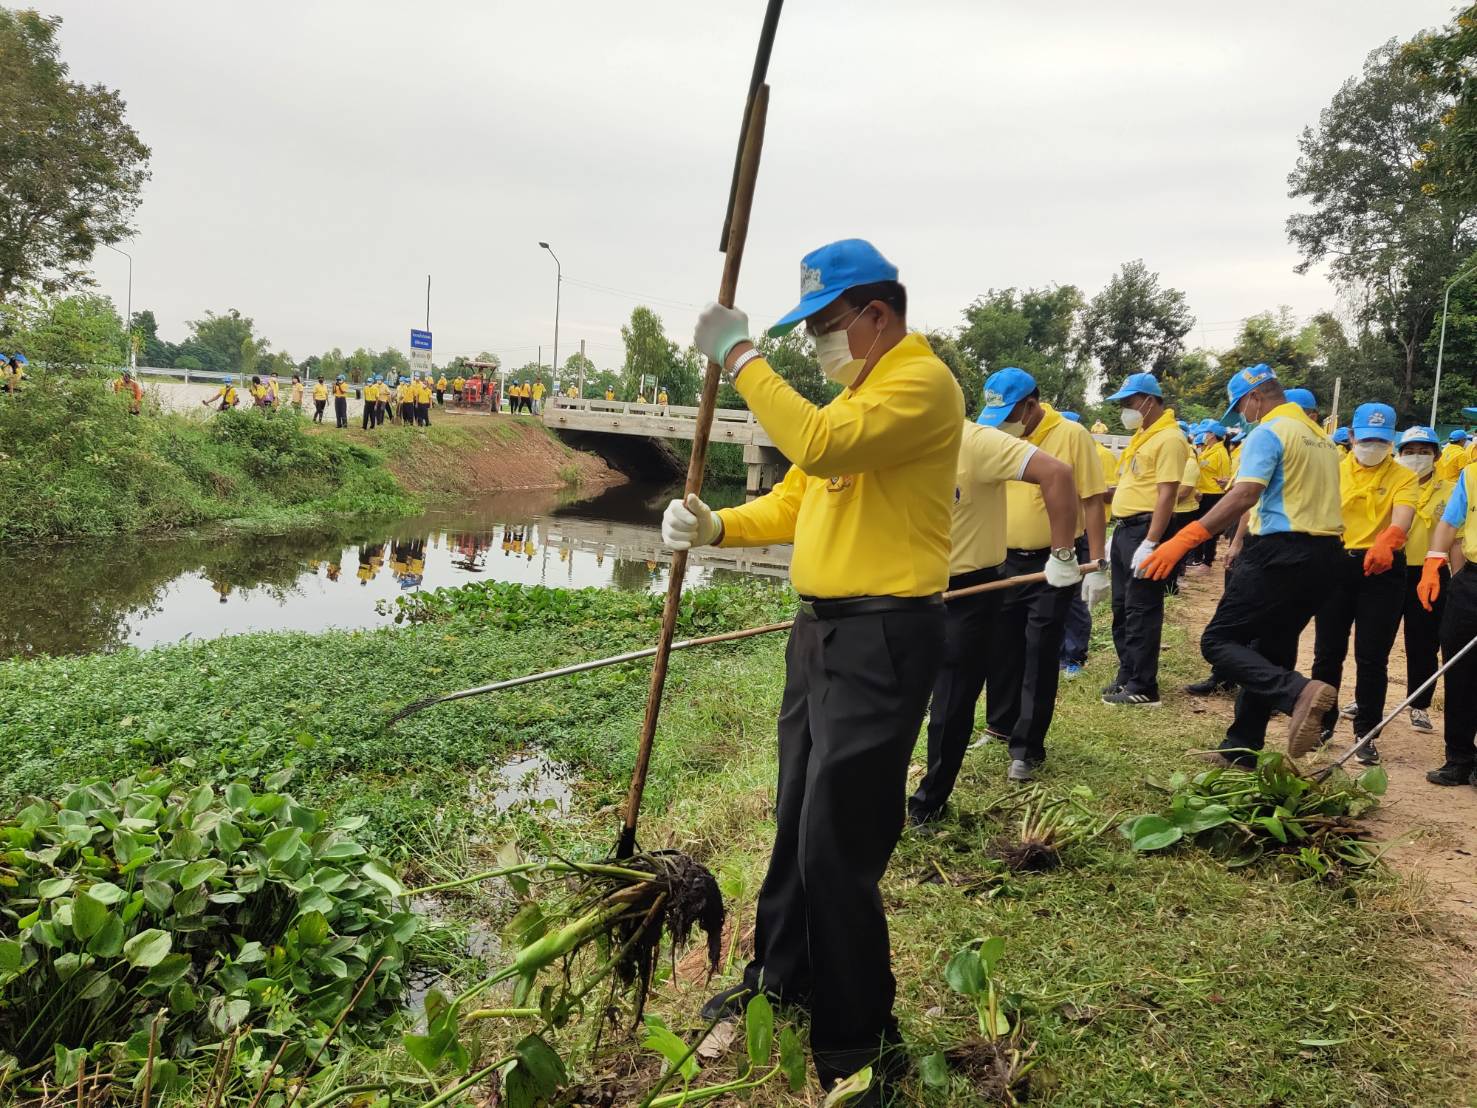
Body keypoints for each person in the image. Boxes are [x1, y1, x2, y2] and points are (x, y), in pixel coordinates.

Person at [664, 239, 961, 1101]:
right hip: (821, 635)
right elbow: (797, 495)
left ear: (876, 313)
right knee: (796, 817)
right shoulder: (860, 392)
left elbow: (820, 447)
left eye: (827, 326)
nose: (820, 345)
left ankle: (860, 1039)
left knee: (840, 844)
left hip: (883, 636)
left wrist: (743, 357)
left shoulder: (919, 383)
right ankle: (781, 974)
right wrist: (717, 526)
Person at [1138, 364, 1342, 762]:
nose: (1243, 416)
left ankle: (1299, 693)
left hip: (1280, 553)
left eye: (1241, 407)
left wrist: (1186, 538)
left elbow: (1246, 494)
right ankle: (1242, 748)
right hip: (1325, 556)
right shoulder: (1322, 438)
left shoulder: (1269, 432)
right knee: (1271, 648)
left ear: (1254, 397)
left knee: (1219, 641)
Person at [909, 402, 1079, 817]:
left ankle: (929, 803)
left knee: (951, 699)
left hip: (969, 589)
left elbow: (1056, 473)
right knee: (900, 691)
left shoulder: (976, 440)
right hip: (907, 586)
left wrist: (1062, 552)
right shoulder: (895, 440)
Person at [975, 367, 1108, 779]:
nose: (1006, 425)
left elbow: (1092, 500)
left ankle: (1027, 746)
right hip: (1002, 559)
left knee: (1039, 648)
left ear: (1031, 405)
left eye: (1011, 414)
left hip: (1055, 562)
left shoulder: (1072, 436)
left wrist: (1097, 564)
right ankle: (999, 725)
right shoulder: (999, 436)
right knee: (1002, 646)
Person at [1309, 402, 1417, 763]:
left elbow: (1403, 514)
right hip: (1337, 566)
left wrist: (1390, 539)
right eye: (1366, 439)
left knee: (1372, 657)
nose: (1373, 447)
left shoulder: (1402, 476)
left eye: (1381, 441)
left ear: (1391, 442)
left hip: (1383, 572)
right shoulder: (1333, 471)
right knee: (1327, 652)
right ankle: (1322, 723)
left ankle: (1366, 733)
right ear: (1351, 436)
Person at [1102, 372, 1192, 707]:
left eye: (1129, 403)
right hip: (1127, 529)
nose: (1125, 410)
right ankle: (1128, 673)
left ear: (1148, 401)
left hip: (1145, 530)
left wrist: (1151, 541)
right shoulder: (1145, 436)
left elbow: (1167, 495)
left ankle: (1143, 685)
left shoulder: (1169, 438)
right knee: (1122, 606)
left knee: (1141, 608)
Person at [1413, 463, 1477, 786]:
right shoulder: (1472, 474)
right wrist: (1433, 560)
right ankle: (1459, 757)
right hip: (1472, 581)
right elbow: (1451, 522)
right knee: (1458, 667)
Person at [1394, 426, 1457, 734]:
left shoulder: (1451, 489)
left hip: (1430, 574)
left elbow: (1455, 537)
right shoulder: (1392, 484)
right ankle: (1366, 699)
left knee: (1423, 642)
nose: (1416, 457)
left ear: (1437, 455)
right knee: (1375, 641)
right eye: (1409, 451)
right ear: (1399, 454)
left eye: (1424, 451)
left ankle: (1418, 704)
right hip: (1390, 570)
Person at [1187, 423, 1232, 568]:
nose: (1204, 436)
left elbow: (1225, 477)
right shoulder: (1208, 450)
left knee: (1209, 529)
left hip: (1213, 494)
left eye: (1206, 433)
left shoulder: (1221, 454)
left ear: (1212, 435)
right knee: (1199, 526)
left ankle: (1207, 561)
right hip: (1203, 493)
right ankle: (1197, 557)